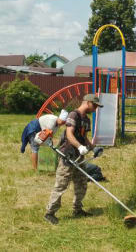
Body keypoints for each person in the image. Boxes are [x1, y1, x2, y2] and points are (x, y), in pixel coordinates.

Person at [44, 94, 103, 225]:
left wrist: (93, 148)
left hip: (79, 156)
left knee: (81, 182)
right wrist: (79, 146)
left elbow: (85, 138)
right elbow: (69, 134)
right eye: (94, 105)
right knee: (61, 184)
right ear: (87, 102)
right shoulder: (73, 115)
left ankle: (77, 209)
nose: (95, 109)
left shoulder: (86, 120)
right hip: (68, 155)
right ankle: (50, 213)